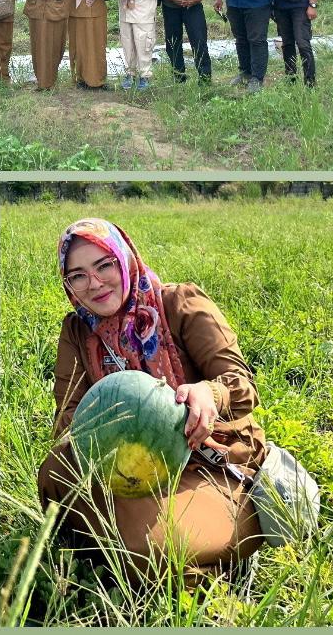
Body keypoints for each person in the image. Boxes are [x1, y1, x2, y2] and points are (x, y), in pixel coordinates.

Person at [37, 217, 266, 582]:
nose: (94, 283)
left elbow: (242, 385)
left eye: (104, 265)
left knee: (143, 546)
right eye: (78, 275)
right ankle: (140, 534)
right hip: (130, 464)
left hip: (208, 458)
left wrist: (210, 392)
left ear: (123, 259)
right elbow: (67, 410)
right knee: (54, 472)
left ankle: (216, 546)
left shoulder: (179, 303)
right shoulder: (77, 331)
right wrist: (100, 425)